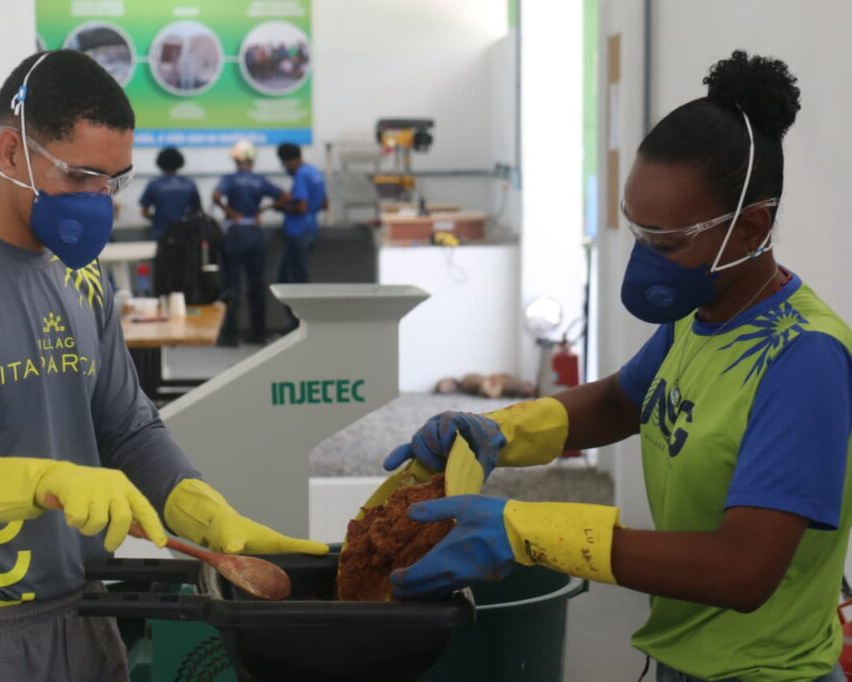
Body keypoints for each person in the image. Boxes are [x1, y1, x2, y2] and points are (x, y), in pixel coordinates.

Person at [0, 50, 326, 682]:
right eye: (82, 177)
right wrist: (39, 483)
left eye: (114, 181)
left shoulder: (81, 276)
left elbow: (126, 425)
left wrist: (196, 506)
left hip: (86, 620)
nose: (101, 202)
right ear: (11, 152)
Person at [384, 51, 851, 681]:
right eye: (639, 231)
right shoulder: (699, 315)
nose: (647, 259)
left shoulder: (804, 359)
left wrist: (530, 530)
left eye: (670, 242)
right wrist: (497, 433)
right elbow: (621, 402)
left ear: (751, 228)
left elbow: (743, 570)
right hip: (682, 663)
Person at [212, 140, 284, 345]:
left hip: (235, 234)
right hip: (254, 233)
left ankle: (231, 334)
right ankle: (258, 332)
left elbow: (216, 196)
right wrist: (263, 210)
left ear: (235, 160)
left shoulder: (229, 179)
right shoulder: (260, 181)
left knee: (231, 285)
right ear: (252, 160)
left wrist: (229, 212)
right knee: (257, 286)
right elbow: (285, 197)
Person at [275, 142, 327, 331]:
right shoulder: (314, 173)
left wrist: (281, 207)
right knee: (297, 278)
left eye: (284, 163)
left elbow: (301, 206)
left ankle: (298, 324)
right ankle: (300, 323)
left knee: (290, 281)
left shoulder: (301, 175)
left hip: (298, 232)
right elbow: (324, 203)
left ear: (288, 161)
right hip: (310, 229)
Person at [139, 146, 201, 241]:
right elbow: (197, 211)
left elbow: (144, 212)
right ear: (180, 162)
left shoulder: (154, 185)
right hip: (185, 235)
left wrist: (157, 219)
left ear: (160, 163)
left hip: (160, 234)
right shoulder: (189, 184)